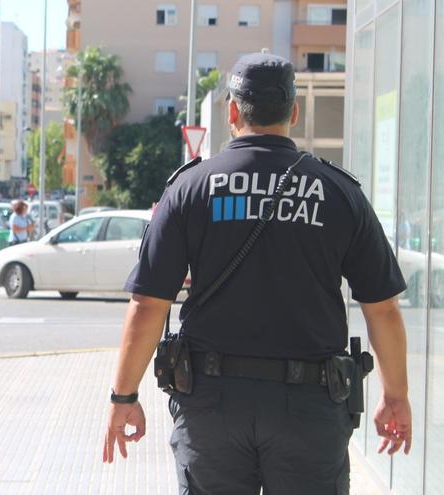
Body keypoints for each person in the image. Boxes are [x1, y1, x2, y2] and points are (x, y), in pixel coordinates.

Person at [102, 53, 412, 494]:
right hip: (310, 409)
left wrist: (124, 397)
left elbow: (148, 304)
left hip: (212, 408)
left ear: (232, 111)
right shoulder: (339, 193)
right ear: (294, 112)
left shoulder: (190, 188)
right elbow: (382, 309)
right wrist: (395, 396)